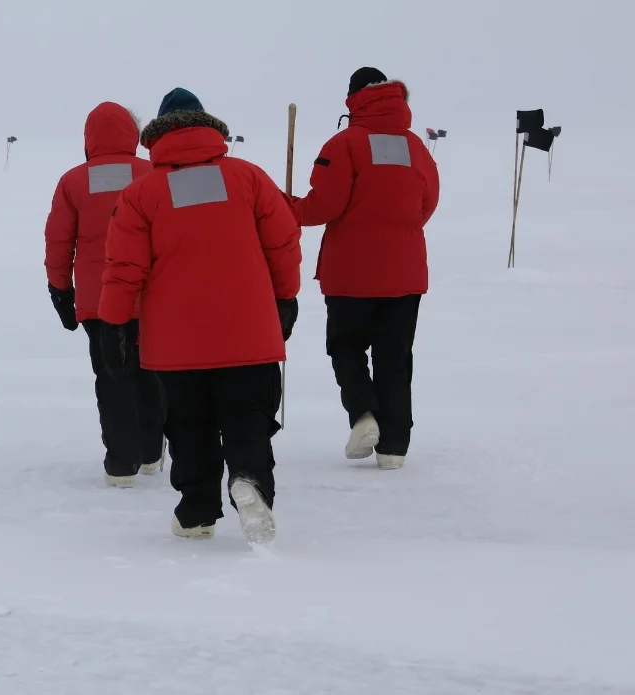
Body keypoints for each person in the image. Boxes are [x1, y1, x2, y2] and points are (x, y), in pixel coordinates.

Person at [98, 88, 301, 546]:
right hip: (248, 332)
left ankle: (196, 512)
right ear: (209, 128)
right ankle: (249, 480)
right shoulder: (249, 177)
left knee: (189, 425)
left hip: (176, 343)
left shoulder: (140, 194)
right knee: (249, 417)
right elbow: (284, 243)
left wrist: (114, 325)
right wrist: (285, 297)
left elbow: (124, 268)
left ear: (157, 136)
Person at [287, 68, 439, 469]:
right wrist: (398, 233)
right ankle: (394, 447)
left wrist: (289, 209)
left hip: (350, 271)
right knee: (395, 357)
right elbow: (427, 203)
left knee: (346, 346)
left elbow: (324, 205)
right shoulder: (416, 147)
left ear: (354, 99)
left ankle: (363, 415)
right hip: (405, 271)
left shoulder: (345, 143)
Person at [44, 102, 164, 487]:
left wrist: (60, 289)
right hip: (150, 296)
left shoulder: (73, 181)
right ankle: (151, 452)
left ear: (88, 138)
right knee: (150, 372)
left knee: (111, 376)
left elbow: (59, 242)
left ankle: (121, 463)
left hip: (98, 301)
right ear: (133, 134)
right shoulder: (153, 173)